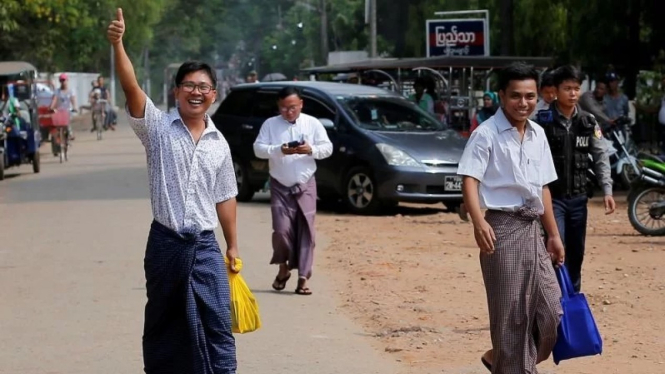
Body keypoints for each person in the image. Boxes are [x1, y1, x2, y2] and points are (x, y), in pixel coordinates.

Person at [107, 8, 239, 374]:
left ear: (213, 94)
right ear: (177, 91)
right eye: (189, 86)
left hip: (205, 247)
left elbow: (225, 195)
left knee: (217, 324)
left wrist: (232, 245)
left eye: (203, 87)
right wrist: (119, 43)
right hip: (165, 244)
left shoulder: (219, 144)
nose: (196, 93)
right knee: (164, 324)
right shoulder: (157, 129)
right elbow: (131, 86)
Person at [457, 62, 564, 373]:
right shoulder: (486, 134)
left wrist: (554, 235)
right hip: (501, 229)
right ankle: (511, 363)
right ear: (502, 95)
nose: (524, 103)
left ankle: (499, 358)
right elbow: (469, 179)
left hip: (534, 230)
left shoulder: (538, 134)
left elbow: (542, 186)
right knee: (510, 317)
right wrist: (479, 222)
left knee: (552, 311)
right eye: (516, 96)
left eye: (530, 96)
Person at [534, 65, 616, 293]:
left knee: (576, 254)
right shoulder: (542, 121)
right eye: (567, 88)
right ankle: (552, 302)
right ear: (556, 90)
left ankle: (572, 299)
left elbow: (600, 155)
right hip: (552, 199)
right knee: (555, 249)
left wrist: (607, 190)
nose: (572, 93)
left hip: (579, 200)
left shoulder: (588, 122)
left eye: (576, 88)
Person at [253, 86, 333, 295]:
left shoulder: (312, 123)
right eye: (284, 108)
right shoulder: (270, 125)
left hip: (305, 183)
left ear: (301, 105)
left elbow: (328, 148)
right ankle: (283, 268)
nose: (289, 112)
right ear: (278, 107)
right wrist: (279, 149)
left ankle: (303, 278)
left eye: (293, 107)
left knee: (306, 230)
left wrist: (311, 150)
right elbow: (258, 149)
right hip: (280, 184)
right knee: (281, 230)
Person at [49, 73, 77, 140]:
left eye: (64, 80)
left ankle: (70, 134)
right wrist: (51, 107)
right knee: (57, 125)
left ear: (67, 80)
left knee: (67, 123)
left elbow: (73, 99)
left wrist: (75, 107)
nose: (63, 82)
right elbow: (54, 99)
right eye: (61, 80)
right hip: (59, 111)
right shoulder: (57, 91)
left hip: (67, 110)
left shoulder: (71, 91)